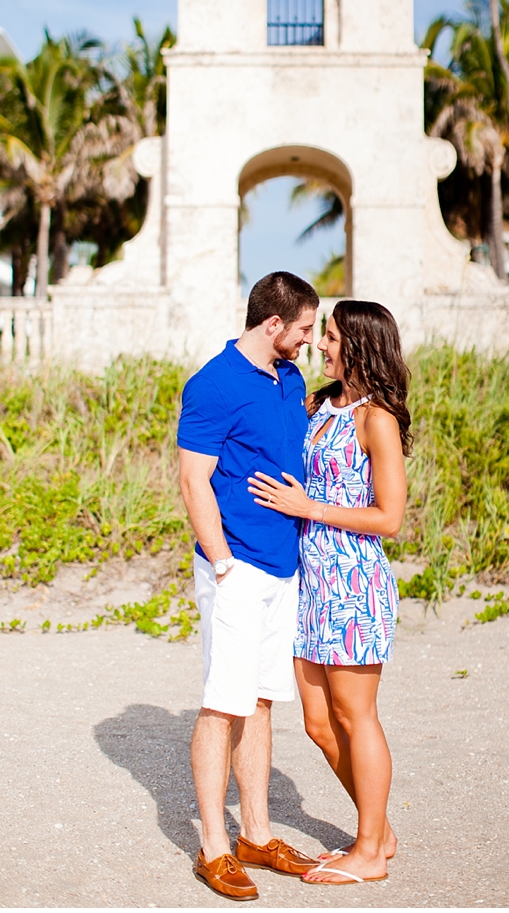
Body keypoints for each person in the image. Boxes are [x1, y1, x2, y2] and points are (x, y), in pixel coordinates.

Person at [248, 299, 410, 887]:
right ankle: (379, 828)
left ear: (362, 345)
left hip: (353, 580)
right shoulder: (319, 405)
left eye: (333, 336)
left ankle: (369, 851)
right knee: (317, 721)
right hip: (308, 578)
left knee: (354, 713)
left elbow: (390, 517)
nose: (321, 344)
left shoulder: (378, 419)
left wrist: (309, 507)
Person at [177, 271, 321, 902]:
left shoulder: (291, 379)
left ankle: (256, 835)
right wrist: (222, 562)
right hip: (235, 569)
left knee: (260, 702)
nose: (311, 341)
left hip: (282, 568)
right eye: (306, 329)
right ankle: (213, 847)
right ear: (274, 326)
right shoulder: (213, 384)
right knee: (221, 704)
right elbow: (193, 480)